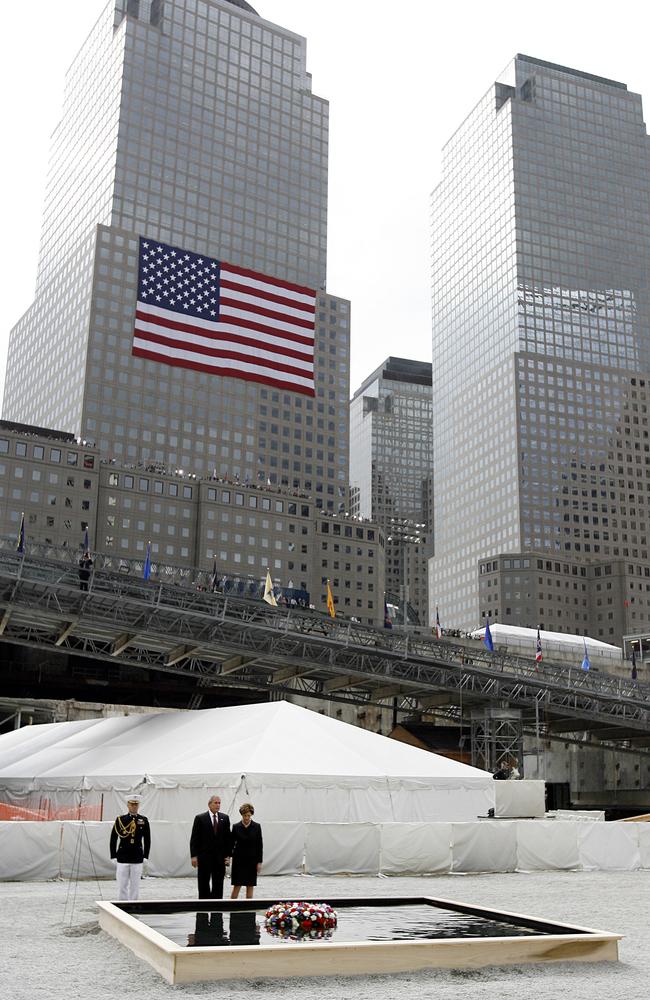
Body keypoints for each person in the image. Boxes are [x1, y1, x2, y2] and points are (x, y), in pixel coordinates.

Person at [109, 794, 151, 901]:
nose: (134, 807)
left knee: (135, 885)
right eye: (132, 804)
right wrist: (113, 855)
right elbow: (113, 838)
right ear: (128, 805)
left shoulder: (143, 820)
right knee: (122, 884)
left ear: (138, 806)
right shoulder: (120, 820)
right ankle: (123, 904)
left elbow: (147, 840)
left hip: (137, 856)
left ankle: (134, 904)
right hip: (123, 856)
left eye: (136, 805)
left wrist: (146, 856)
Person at [190, 794, 231, 899]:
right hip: (204, 857)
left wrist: (228, 856)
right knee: (203, 883)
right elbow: (194, 838)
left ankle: (216, 909)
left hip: (219, 858)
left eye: (219, 803)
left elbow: (228, 839)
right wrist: (194, 856)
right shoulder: (200, 818)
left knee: (218, 884)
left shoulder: (225, 818)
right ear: (209, 804)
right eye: (215, 803)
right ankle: (203, 907)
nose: (218, 805)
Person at [230, 802, 263, 900]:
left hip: (252, 860)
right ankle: (231, 906)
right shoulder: (236, 827)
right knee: (237, 885)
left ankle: (249, 907)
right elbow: (231, 844)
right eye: (245, 815)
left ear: (251, 814)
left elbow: (259, 845)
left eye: (248, 815)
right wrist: (228, 856)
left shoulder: (257, 827)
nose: (247, 817)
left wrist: (259, 862)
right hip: (238, 860)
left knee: (250, 885)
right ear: (241, 815)